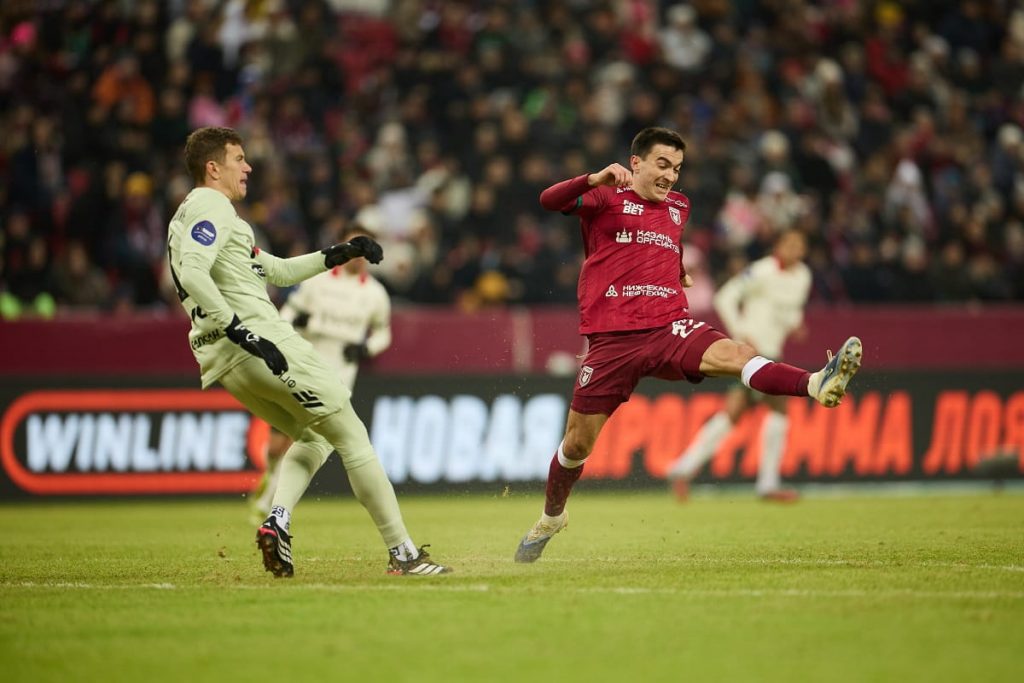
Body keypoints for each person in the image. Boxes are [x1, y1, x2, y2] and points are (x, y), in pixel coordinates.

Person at [514, 127, 861, 563]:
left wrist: (675, 269)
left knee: (737, 354)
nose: (670, 176)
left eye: (677, 168)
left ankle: (814, 382)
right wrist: (592, 178)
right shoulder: (605, 196)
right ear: (636, 162)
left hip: (668, 327)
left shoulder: (679, 207)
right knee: (577, 445)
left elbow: (664, 243)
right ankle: (552, 517)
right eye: (662, 165)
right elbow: (548, 200)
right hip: (612, 340)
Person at [167, 126, 449, 577]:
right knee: (353, 436)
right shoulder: (212, 205)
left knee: (315, 437)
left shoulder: (192, 218)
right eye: (239, 159)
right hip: (257, 341)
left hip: (224, 361)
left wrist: (338, 253)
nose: (248, 167)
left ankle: (276, 522)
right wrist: (242, 330)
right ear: (213, 168)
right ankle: (403, 553)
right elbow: (193, 272)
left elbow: (277, 271)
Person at [248, 223, 392, 521]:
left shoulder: (376, 294)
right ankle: (271, 478)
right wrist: (293, 324)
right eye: (353, 247)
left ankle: (270, 504)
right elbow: (288, 313)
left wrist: (365, 349)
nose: (358, 257)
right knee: (276, 446)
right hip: (304, 363)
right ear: (342, 246)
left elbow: (383, 333)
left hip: (340, 375)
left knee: (308, 438)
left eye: (363, 250)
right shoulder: (317, 280)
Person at [666, 229, 812, 502]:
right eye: (789, 243)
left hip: (771, 352)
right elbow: (724, 297)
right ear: (778, 246)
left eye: (799, 245)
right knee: (779, 408)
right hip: (754, 354)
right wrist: (741, 335)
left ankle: (682, 468)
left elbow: (790, 311)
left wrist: (795, 325)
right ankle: (768, 484)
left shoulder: (803, 276)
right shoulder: (762, 271)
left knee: (733, 414)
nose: (794, 249)